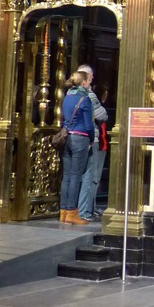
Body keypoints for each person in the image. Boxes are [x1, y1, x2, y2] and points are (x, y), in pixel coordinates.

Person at [59, 70, 95, 225]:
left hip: (67, 138)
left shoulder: (67, 97)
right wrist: (92, 140)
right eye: (88, 81)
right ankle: (72, 213)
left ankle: (63, 212)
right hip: (80, 138)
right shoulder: (84, 99)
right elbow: (89, 125)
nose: (89, 84)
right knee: (75, 176)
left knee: (67, 176)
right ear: (83, 83)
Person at [76, 65, 109, 222]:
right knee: (90, 175)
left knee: (75, 175)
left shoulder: (70, 93)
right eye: (91, 77)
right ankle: (85, 210)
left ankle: (73, 209)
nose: (93, 79)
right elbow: (101, 115)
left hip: (76, 136)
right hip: (91, 138)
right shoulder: (89, 95)